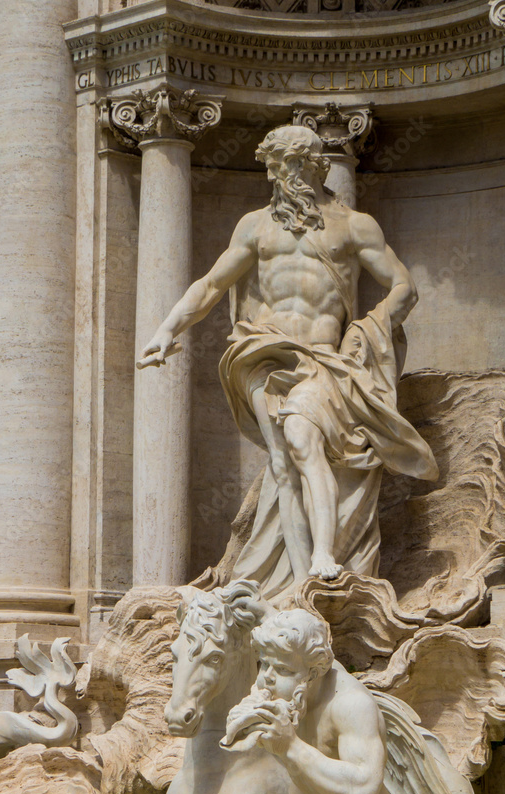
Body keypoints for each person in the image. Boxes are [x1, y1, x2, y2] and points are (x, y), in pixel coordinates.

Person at [139, 125, 438, 596]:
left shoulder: (355, 226)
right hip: (262, 349)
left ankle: (324, 552)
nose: (284, 174)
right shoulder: (255, 225)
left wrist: (369, 329)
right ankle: (302, 584)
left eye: (293, 164)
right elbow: (212, 284)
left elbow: (404, 286)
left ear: (317, 165)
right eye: (277, 166)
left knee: (301, 435)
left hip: (323, 357)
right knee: (282, 464)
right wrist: (166, 329)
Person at [223, 608, 420, 794]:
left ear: (313, 674)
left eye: (282, 669)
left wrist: (289, 746)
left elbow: (364, 791)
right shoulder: (288, 700)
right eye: (264, 664)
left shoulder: (350, 705)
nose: (267, 678)